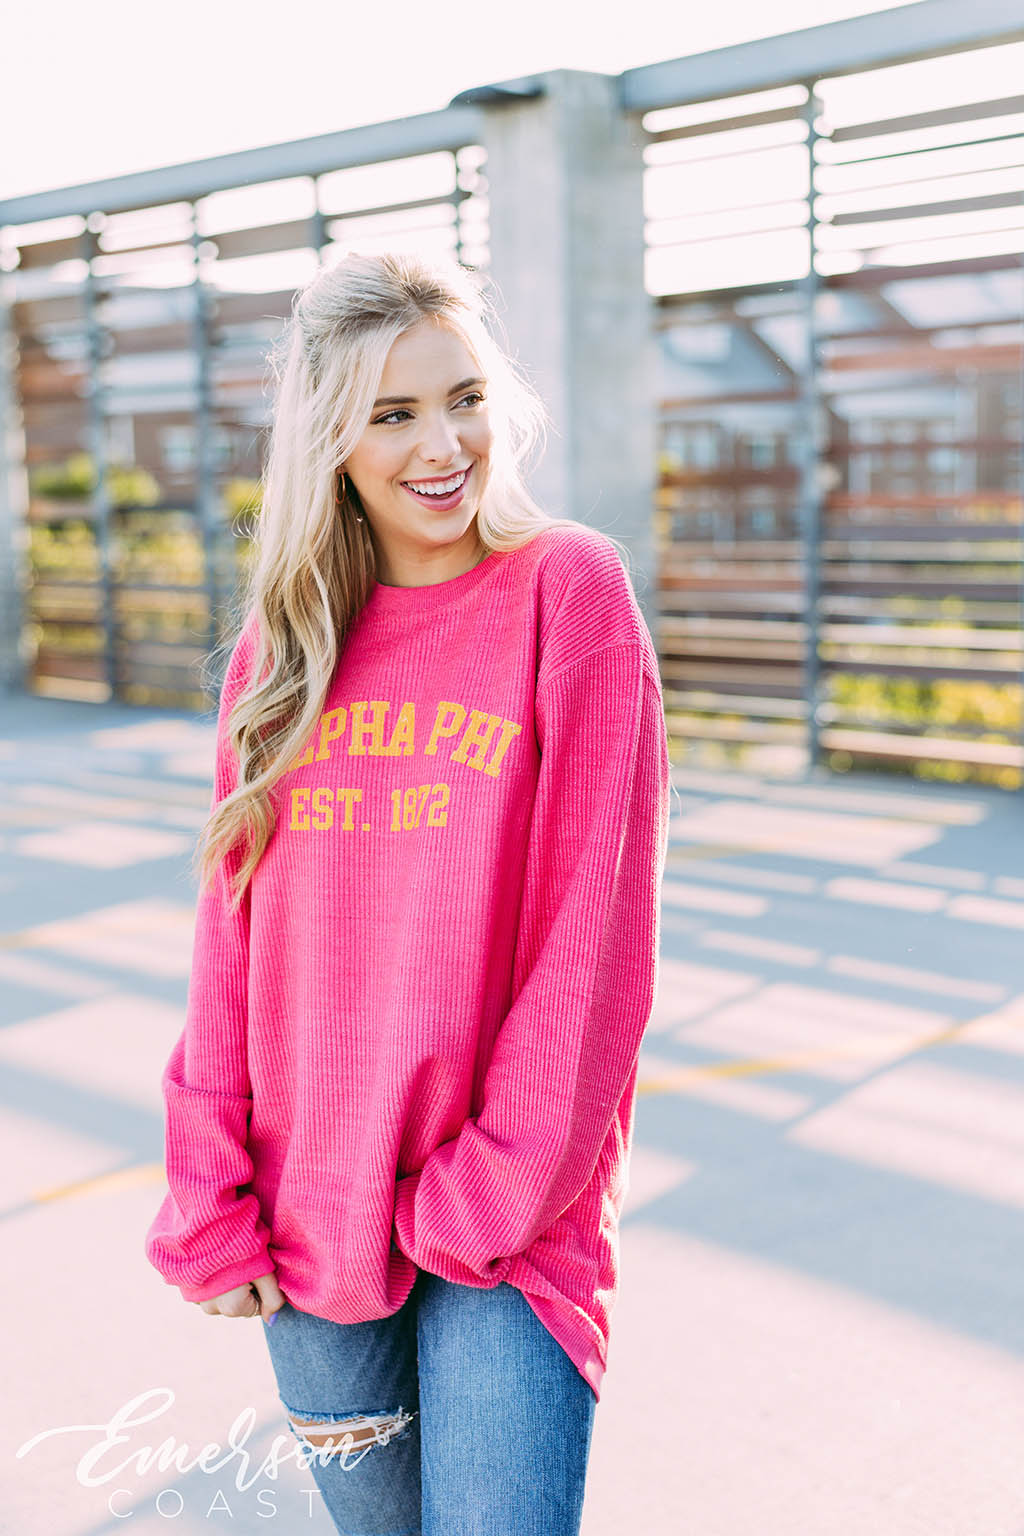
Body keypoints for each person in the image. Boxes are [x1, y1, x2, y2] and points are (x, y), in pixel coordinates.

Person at [144, 247, 672, 1536]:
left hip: (507, 1218)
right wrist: (208, 1189)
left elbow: (593, 942)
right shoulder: (283, 652)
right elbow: (234, 944)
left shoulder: (568, 593)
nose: (444, 445)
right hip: (309, 1210)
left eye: (465, 398)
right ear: (331, 440)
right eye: (394, 413)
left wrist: (488, 1191)